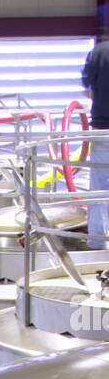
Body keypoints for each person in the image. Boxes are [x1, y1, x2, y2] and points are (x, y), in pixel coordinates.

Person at [80, 38, 109, 248]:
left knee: (98, 185)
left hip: (101, 127)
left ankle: (97, 240)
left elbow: (87, 89)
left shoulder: (98, 52)